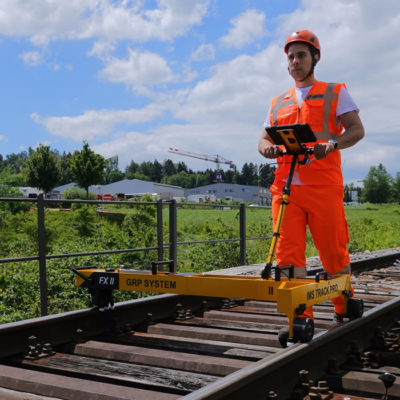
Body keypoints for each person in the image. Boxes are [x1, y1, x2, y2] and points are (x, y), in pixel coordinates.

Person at [258, 30, 364, 321]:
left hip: (323, 186)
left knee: (332, 252)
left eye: (301, 55)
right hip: (286, 189)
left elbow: (357, 130)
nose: (295, 61)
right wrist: (267, 149)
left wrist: (333, 144)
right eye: (291, 57)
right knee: (287, 255)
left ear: (315, 57)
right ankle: (300, 316)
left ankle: (343, 303)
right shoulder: (278, 102)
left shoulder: (335, 92)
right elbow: (263, 140)